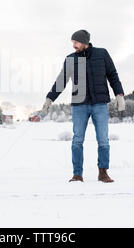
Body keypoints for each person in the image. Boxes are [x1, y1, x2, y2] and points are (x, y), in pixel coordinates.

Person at [42, 30, 125, 183]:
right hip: (79, 105)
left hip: (99, 104)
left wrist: (119, 95)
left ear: (84, 42)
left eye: (76, 42)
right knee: (77, 141)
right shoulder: (70, 59)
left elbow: (113, 75)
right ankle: (77, 175)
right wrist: (49, 99)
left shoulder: (102, 54)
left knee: (103, 141)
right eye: (72, 42)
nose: (73, 45)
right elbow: (61, 82)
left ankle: (103, 173)